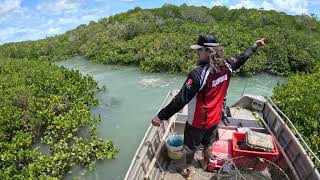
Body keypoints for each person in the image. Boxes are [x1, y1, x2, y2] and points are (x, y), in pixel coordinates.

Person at [151, 33, 266, 178]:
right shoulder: (228, 64)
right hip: (215, 117)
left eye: (199, 50)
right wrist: (255, 46)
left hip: (197, 122)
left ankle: (186, 169)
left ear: (207, 51)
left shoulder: (198, 74)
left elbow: (180, 99)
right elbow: (243, 57)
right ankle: (207, 161)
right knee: (208, 143)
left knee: (189, 147)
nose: (197, 53)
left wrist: (160, 116)